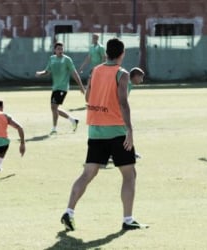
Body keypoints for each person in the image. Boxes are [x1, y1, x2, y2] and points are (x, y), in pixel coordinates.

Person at [61, 38, 148, 231]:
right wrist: (130, 130)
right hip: (116, 131)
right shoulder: (122, 73)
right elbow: (123, 103)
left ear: (106, 53)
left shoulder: (96, 71)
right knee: (129, 174)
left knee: (87, 173)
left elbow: (87, 97)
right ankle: (127, 220)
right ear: (122, 54)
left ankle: (69, 211)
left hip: (95, 130)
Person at [36, 42, 85, 134]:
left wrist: (81, 86)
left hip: (63, 88)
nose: (60, 51)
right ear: (55, 50)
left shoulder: (67, 60)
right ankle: (73, 120)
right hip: (55, 87)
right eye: (58, 49)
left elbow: (75, 73)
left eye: (61, 49)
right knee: (54, 108)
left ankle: (54, 128)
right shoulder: (52, 59)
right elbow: (47, 71)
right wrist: (40, 73)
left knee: (54, 107)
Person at [0, 99, 25, 178]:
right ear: (0, 107)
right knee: (4, 144)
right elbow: (19, 127)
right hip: (2, 144)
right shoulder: (5, 115)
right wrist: (22, 144)